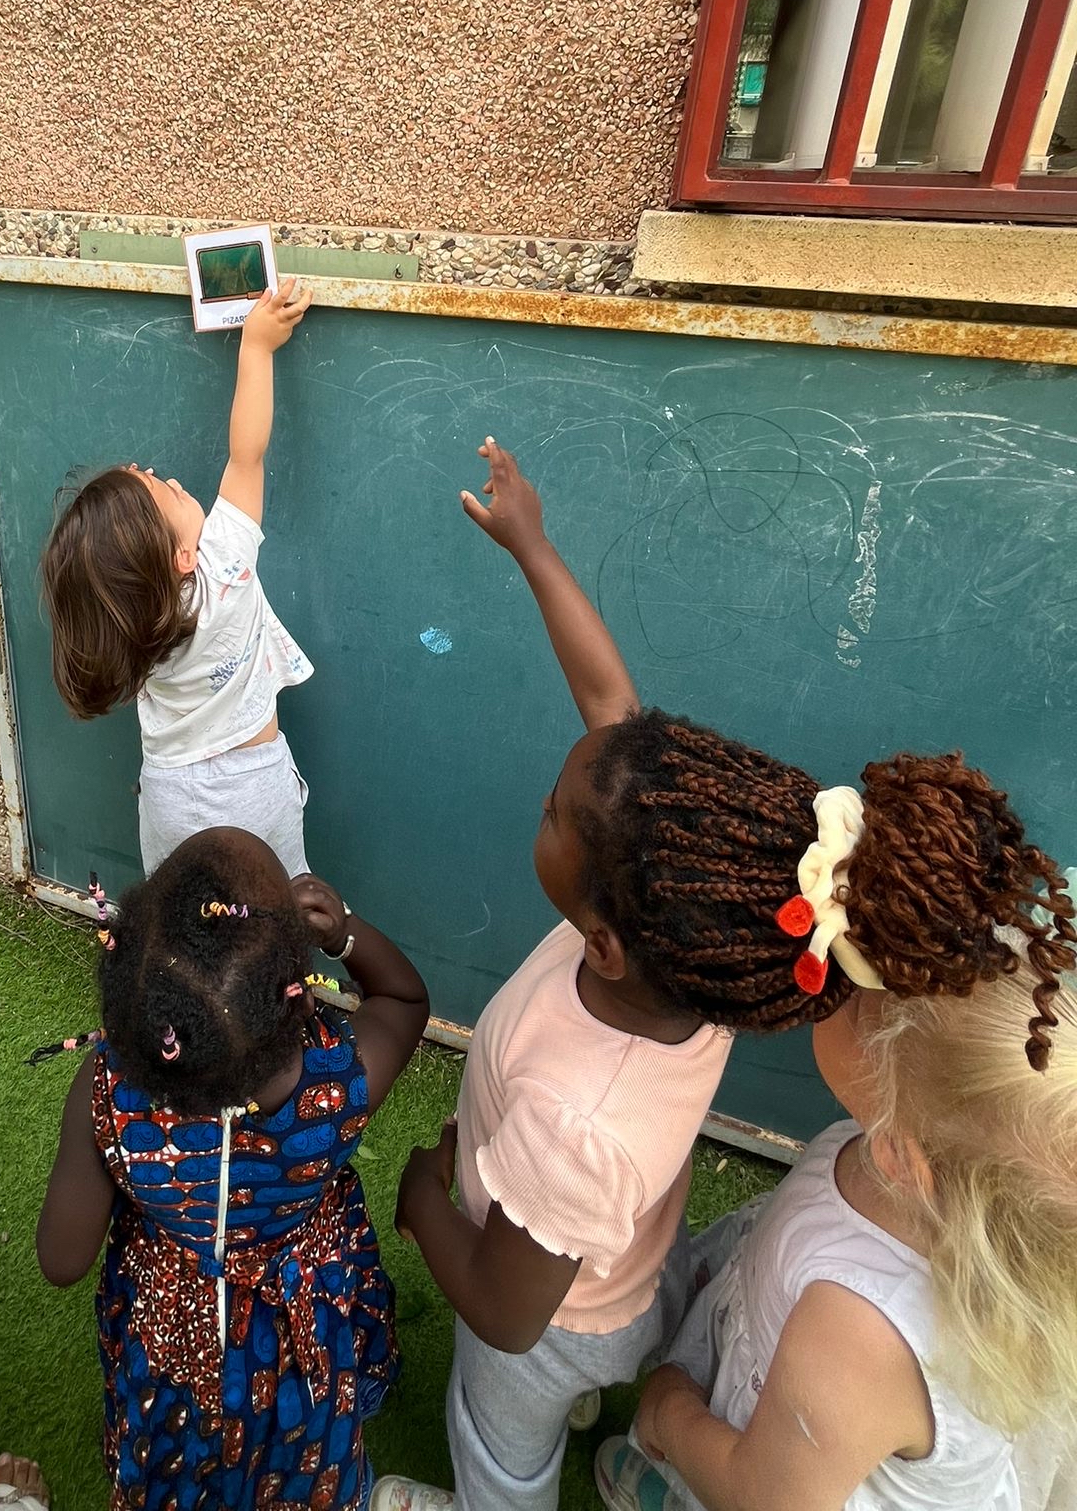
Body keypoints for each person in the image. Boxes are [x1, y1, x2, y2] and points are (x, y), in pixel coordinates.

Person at [379, 440, 1075, 1511]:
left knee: (497, 1437)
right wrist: (534, 547)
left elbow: (510, 1315)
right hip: (630, 1266)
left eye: (552, 811)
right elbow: (613, 709)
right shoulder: (709, 952)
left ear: (604, 942)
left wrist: (427, 1202)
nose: (548, 801)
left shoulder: (577, 1115)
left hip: (557, 1323)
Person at [595, 940, 1077, 1511]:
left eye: (861, 996)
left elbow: (764, 1498)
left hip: (775, 1460)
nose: (842, 977)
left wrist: (670, 1416)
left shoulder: (859, 1336)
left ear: (900, 1156)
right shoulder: (920, 1158)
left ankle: (667, 1487)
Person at [35, 826, 430, 1509]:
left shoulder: (107, 1092)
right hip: (303, 1318)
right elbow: (403, 1002)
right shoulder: (341, 1082)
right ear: (299, 994)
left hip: (173, 1341)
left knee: (181, 1452)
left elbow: (62, 1259)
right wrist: (344, 935)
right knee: (304, 1448)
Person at [41, 279, 314, 875]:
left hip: (168, 799)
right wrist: (257, 347)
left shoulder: (131, 627)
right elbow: (247, 455)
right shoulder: (225, 569)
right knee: (278, 911)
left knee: (178, 918)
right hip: (256, 789)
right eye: (164, 489)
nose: (168, 478)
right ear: (184, 557)